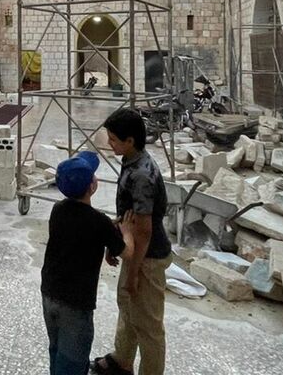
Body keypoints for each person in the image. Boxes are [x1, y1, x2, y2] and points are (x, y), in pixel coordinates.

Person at [93, 109, 172, 375]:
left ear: (130, 140)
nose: (109, 143)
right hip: (135, 251)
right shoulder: (131, 161)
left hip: (147, 257)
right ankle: (122, 359)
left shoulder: (141, 175)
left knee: (148, 325)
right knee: (128, 309)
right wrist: (115, 243)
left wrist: (135, 272)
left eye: (113, 139)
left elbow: (145, 229)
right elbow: (129, 218)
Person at [41, 152, 134, 375]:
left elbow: (80, 234)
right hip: (76, 304)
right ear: (92, 186)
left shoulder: (58, 210)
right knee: (73, 360)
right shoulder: (98, 222)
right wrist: (127, 232)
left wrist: (107, 235)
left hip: (50, 294)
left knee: (56, 348)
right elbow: (127, 253)